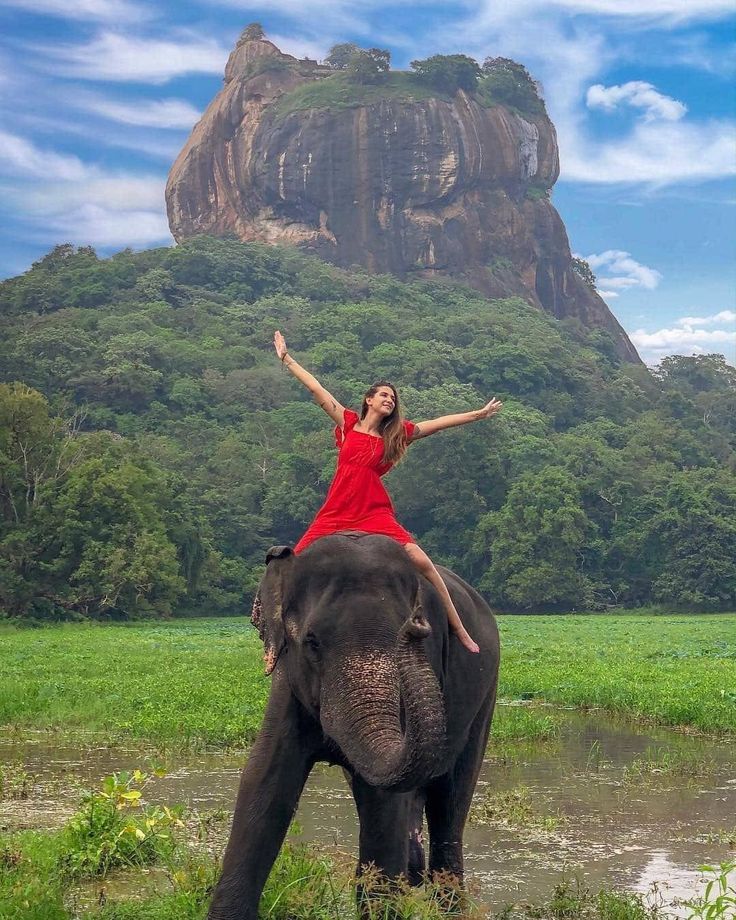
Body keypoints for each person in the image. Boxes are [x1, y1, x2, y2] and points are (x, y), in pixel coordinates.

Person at [274, 330, 502, 654]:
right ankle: (279, 632)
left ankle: (459, 628)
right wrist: (286, 358)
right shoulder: (347, 423)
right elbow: (316, 387)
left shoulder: (396, 435)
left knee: (421, 560)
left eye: (392, 398)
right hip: (337, 509)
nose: (388, 399)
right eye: (383, 395)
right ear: (369, 399)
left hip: (373, 510)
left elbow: (437, 423)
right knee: (294, 563)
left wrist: (476, 415)